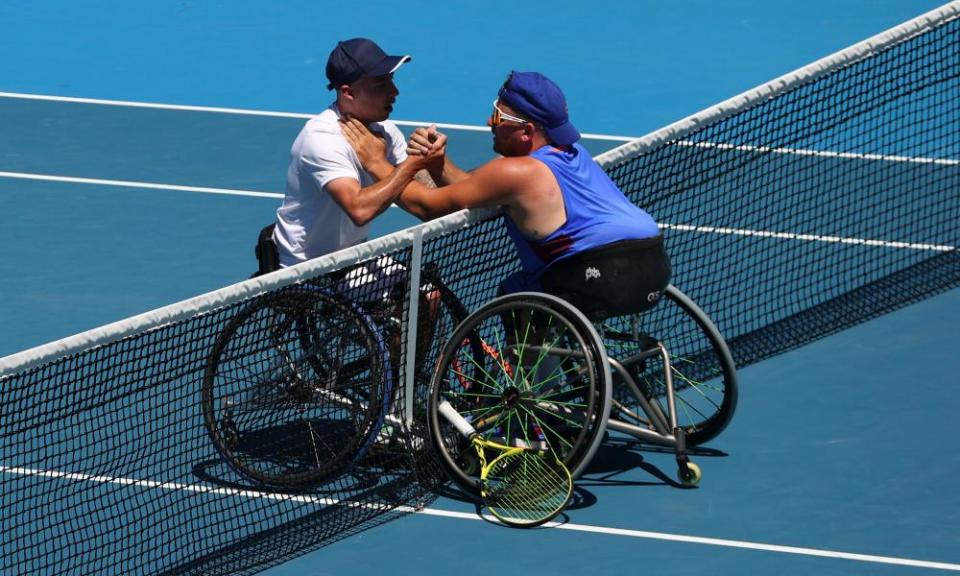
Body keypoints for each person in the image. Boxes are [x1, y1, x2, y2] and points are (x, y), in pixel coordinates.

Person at [343, 71, 670, 320]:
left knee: (517, 296)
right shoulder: (573, 154)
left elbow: (426, 206)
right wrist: (438, 164)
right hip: (653, 266)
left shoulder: (515, 172)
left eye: (498, 117)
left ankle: (531, 395)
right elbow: (477, 189)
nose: (489, 122)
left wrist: (375, 161)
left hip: (600, 276)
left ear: (526, 131)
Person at [256, 37, 436, 301]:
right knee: (414, 299)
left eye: (391, 81)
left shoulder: (384, 131)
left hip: (351, 256)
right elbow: (360, 209)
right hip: (306, 269)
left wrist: (433, 162)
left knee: (428, 295)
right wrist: (411, 164)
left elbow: (425, 196)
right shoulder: (322, 139)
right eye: (380, 84)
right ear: (348, 92)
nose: (394, 91)